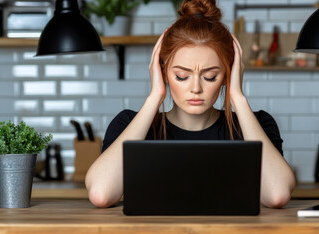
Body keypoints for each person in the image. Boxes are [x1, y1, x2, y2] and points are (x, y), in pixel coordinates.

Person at [85, 0, 296, 209]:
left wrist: (238, 97)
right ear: (162, 72)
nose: (196, 88)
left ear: (227, 75)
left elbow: (277, 195)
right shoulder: (129, 124)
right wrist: (154, 96)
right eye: (181, 76)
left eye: (211, 77)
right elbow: (101, 194)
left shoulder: (257, 124)